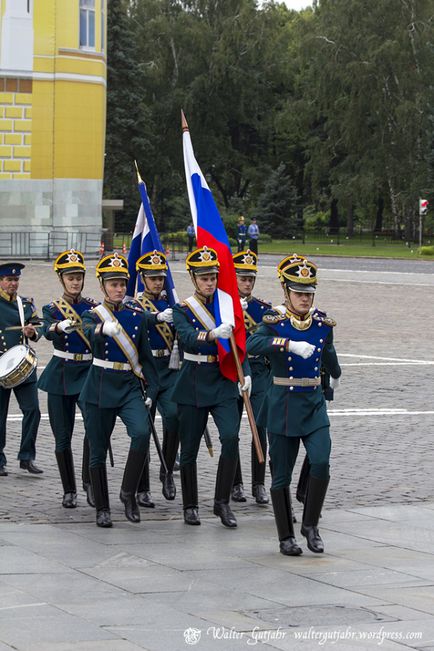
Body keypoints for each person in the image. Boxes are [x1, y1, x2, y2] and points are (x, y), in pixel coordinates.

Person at [247, 254, 341, 556]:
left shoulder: (322, 323)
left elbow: (328, 353)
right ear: (286, 292)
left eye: (308, 292)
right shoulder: (274, 322)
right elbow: (251, 345)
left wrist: (335, 375)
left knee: (321, 460)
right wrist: (287, 344)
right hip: (283, 404)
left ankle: (310, 525)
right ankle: (285, 535)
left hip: (313, 403)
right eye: (299, 292)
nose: (304, 298)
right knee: (282, 476)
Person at [172, 246, 251, 528]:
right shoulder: (182, 309)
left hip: (222, 379)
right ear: (193, 278)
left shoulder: (226, 306)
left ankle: (222, 502)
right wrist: (211, 335)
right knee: (190, 449)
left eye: (213, 277)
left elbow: (240, 340)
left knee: (231, 437)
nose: (209, 282)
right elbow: (186, 338)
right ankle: (190, 505)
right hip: (193, 380)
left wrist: (247, 372)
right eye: (204, 278)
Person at [80, 252, 159, 528]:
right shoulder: (92, 315)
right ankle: (102, 507)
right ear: (102, 286)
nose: (118, 289)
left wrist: (152, 388)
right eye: (113, 284)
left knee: (141, 432)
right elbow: (86, 329)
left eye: (122, 284)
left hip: (127, 385)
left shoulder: (137, 315)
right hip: (100, 385)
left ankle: (128, 492)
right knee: (98, 450)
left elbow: (146, 357)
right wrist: (104, 329)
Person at [38, 249, 98, 508]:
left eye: (78, 277)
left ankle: (89, 481)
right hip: (61, 374)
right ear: (61, 279)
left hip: (87, 374)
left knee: (94, 430)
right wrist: (56, 327)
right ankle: (69, 489)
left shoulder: (93, 308)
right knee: (62, 436)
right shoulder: (52, 308)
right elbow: (45, 330)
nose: (75, 282)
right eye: (70, 277)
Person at [126, 250, 179, 506]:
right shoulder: (134, 304)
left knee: (175, 417)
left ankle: (167, 469)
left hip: (169, 368)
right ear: (142, 279)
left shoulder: (172, 302)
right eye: (152, 278)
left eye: (161, 278)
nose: (157, 282)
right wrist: (157, 317)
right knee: (144, 428)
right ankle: (142, 487)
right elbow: (136, 323)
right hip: (147, 371)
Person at [231, 249, 271, 505]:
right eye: (242, 278)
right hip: (232, 371)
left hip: (258, 372)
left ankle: (259, 484)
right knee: (231, 429)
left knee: (261, 428)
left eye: (250, 279)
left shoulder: (263, 310)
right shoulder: (223, 308)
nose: (247, 283)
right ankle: (236, 483)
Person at [0, 262, 43, 476]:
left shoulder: (25, 304)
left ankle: (27, 457)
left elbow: (38, 328)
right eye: (9, 280)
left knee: (33, 410)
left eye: (16, 280)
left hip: (23, 367)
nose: (13, 284)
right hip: (0, 368)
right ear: (0, 281)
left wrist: (32, 332)